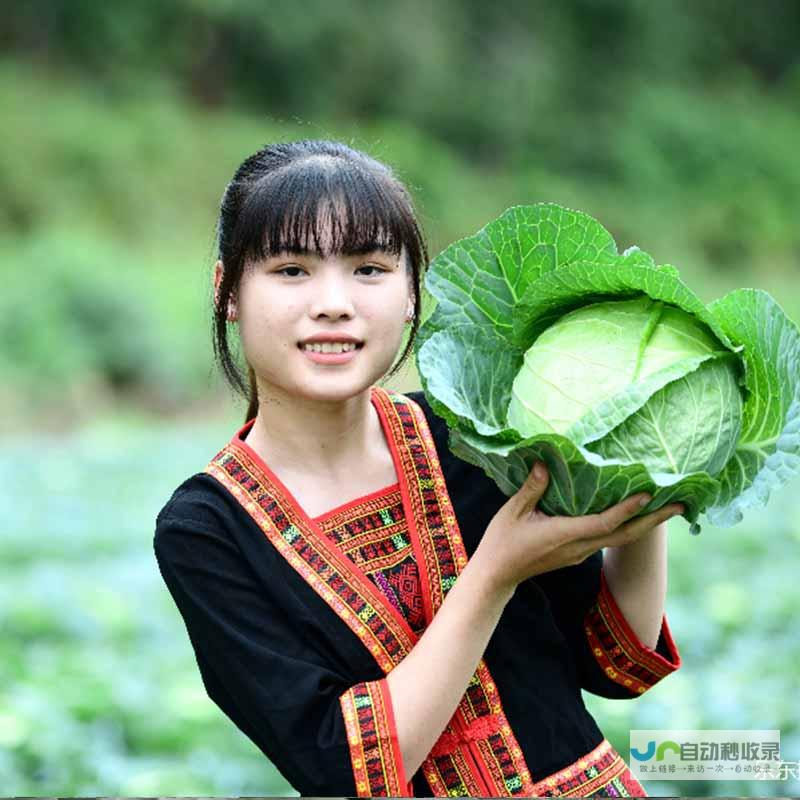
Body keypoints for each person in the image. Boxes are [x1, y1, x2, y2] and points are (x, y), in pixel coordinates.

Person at [153, 139, 684, 798]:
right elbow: (344, 769)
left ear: (411, 292)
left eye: (369, 269)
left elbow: (617, 662)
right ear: (227, 290)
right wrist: (492, 574)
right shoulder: (206, 530)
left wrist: (645, 485)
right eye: (291, 270)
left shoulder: (473, 433)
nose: (333, 303)